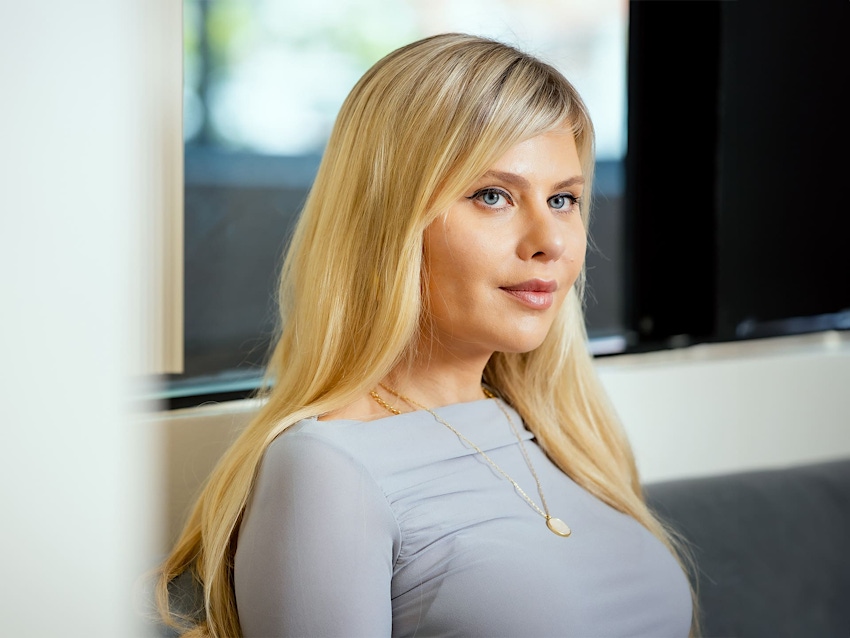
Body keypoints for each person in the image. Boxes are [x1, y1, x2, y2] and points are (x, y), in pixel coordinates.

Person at [157, 32, 697, 638]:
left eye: (564, 198)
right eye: (494, 196)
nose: (551, 240)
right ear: (388, 221)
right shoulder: (326, 468)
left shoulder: (565, 432)